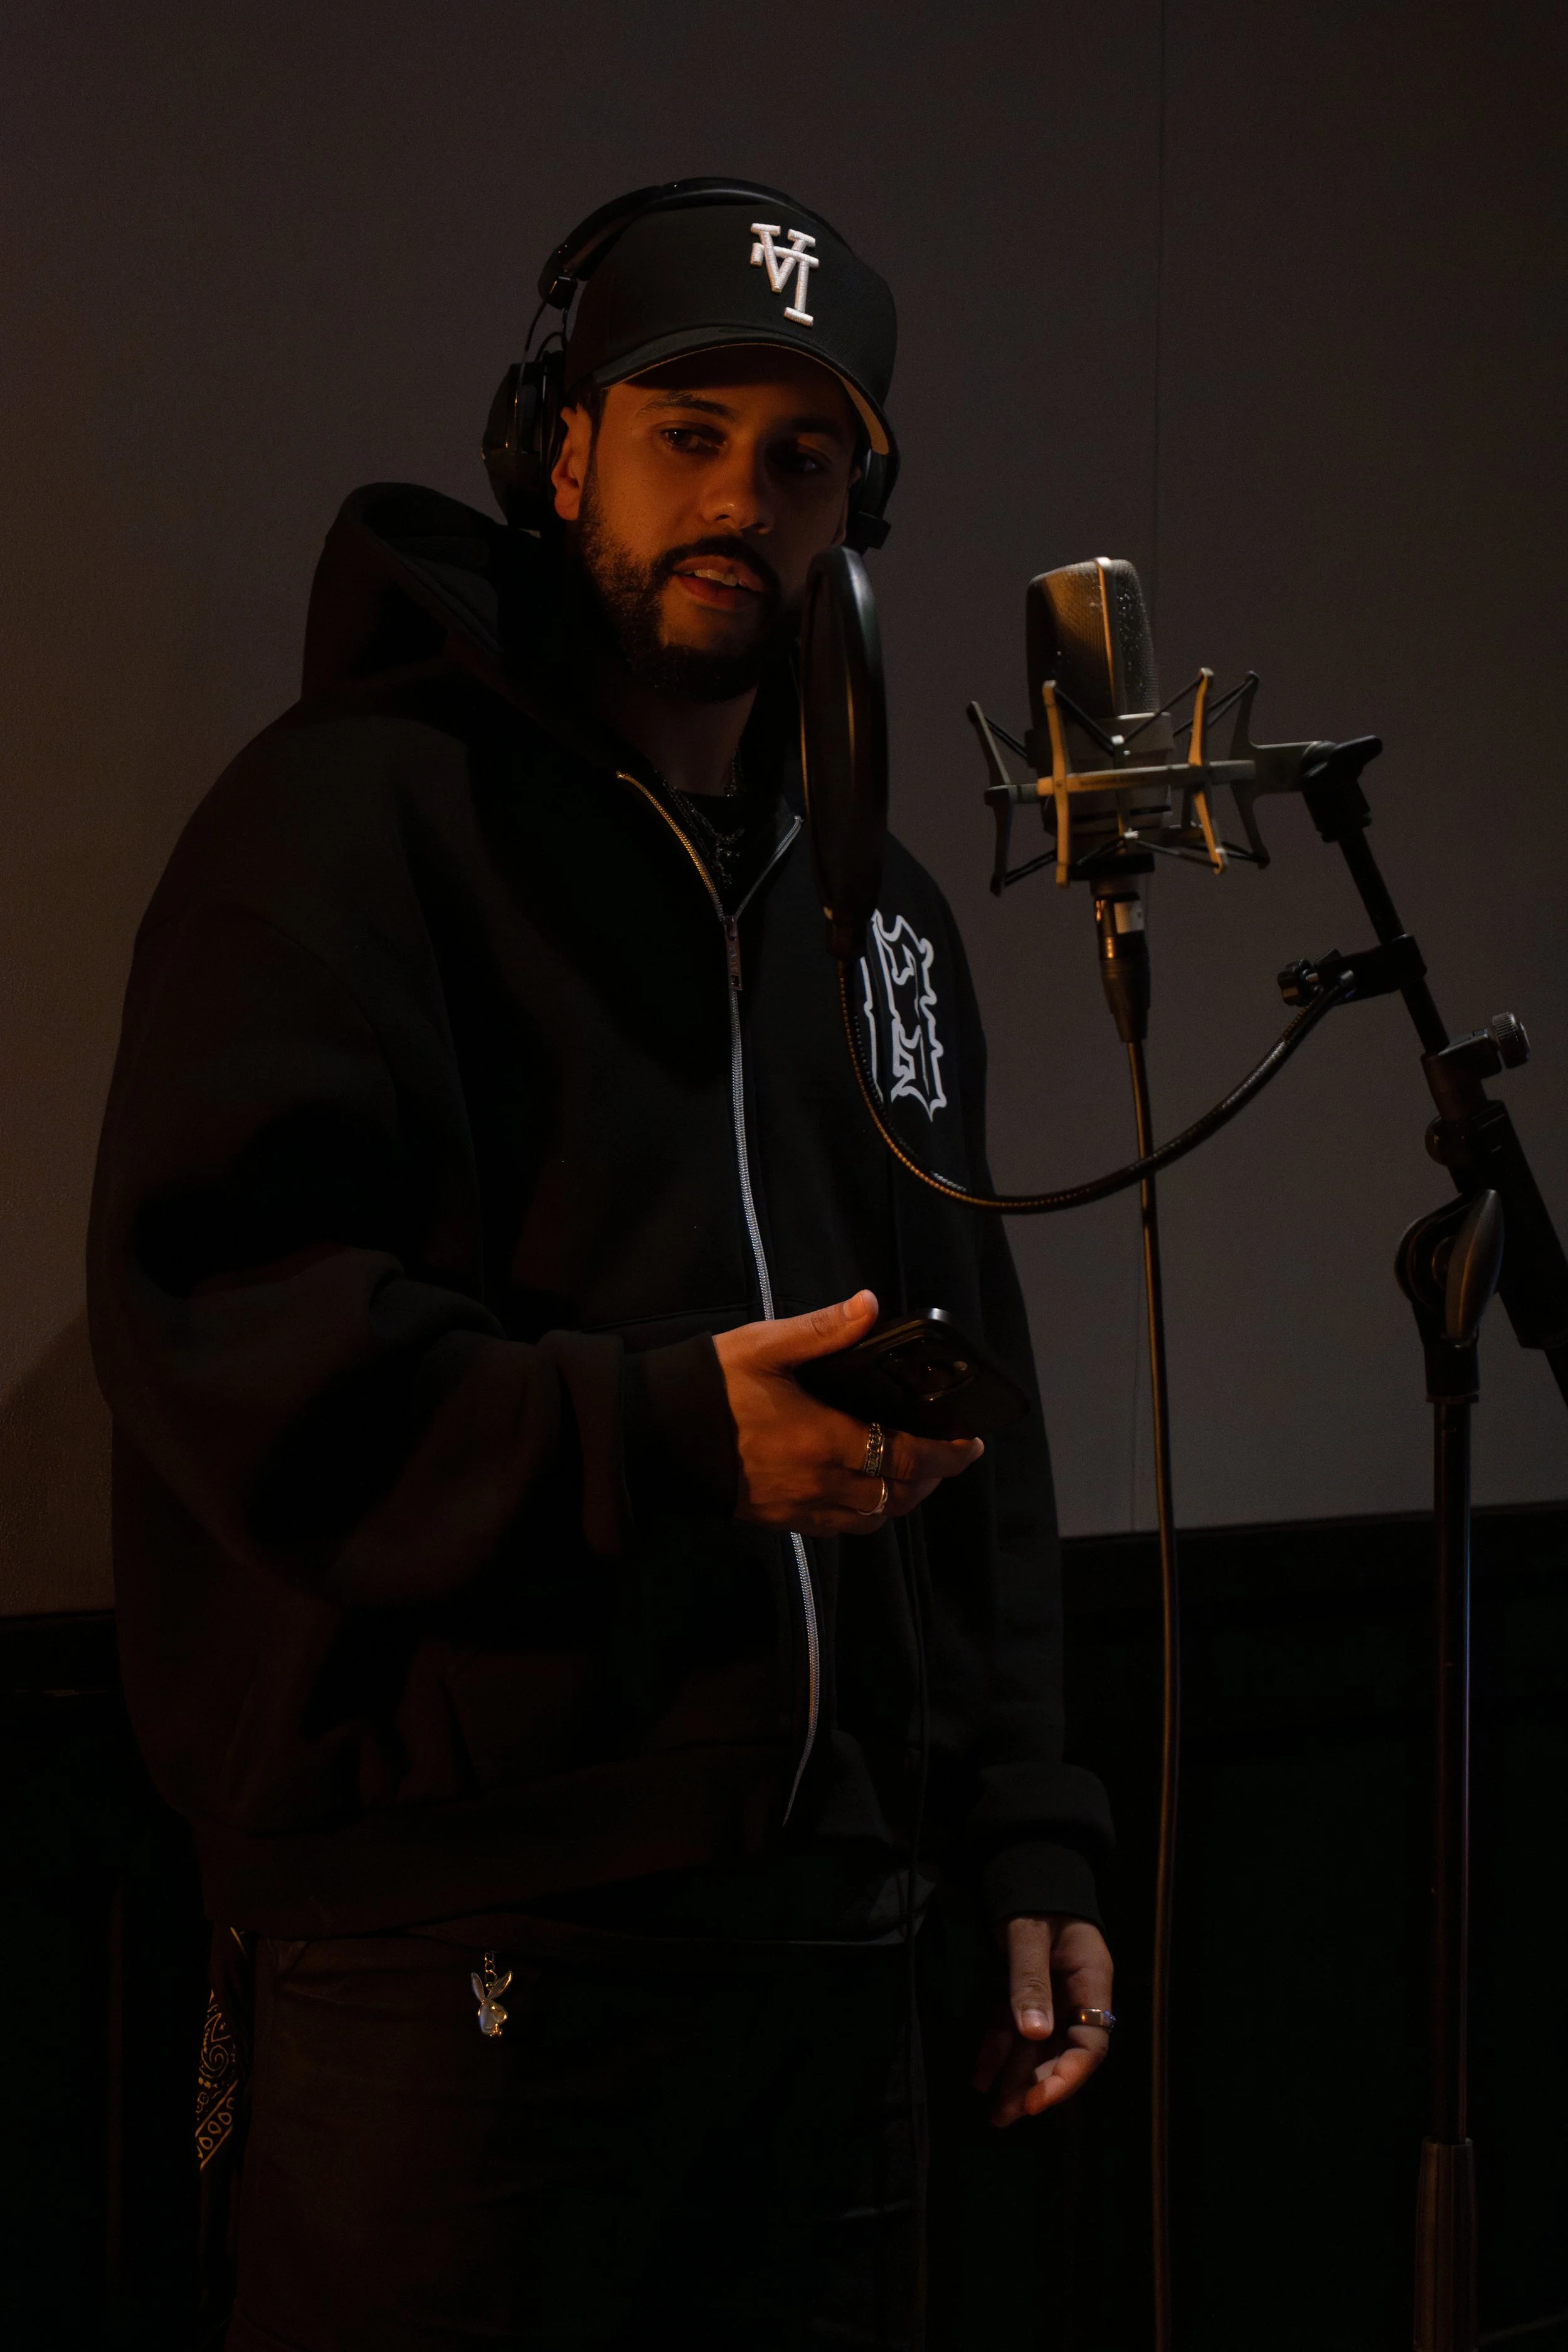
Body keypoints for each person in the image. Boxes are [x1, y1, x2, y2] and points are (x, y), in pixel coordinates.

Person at [87, 179, 1115, 2352]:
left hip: (831, 1941)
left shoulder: (881, 908)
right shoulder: (344, 822)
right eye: (686, 433)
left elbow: (981, 1392)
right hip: (460, 1959)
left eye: (803, 457)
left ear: (857, 511)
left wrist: (1026, 1823)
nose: (742, 498)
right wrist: (663, 1434)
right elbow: (226, 1330)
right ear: (558, 453)